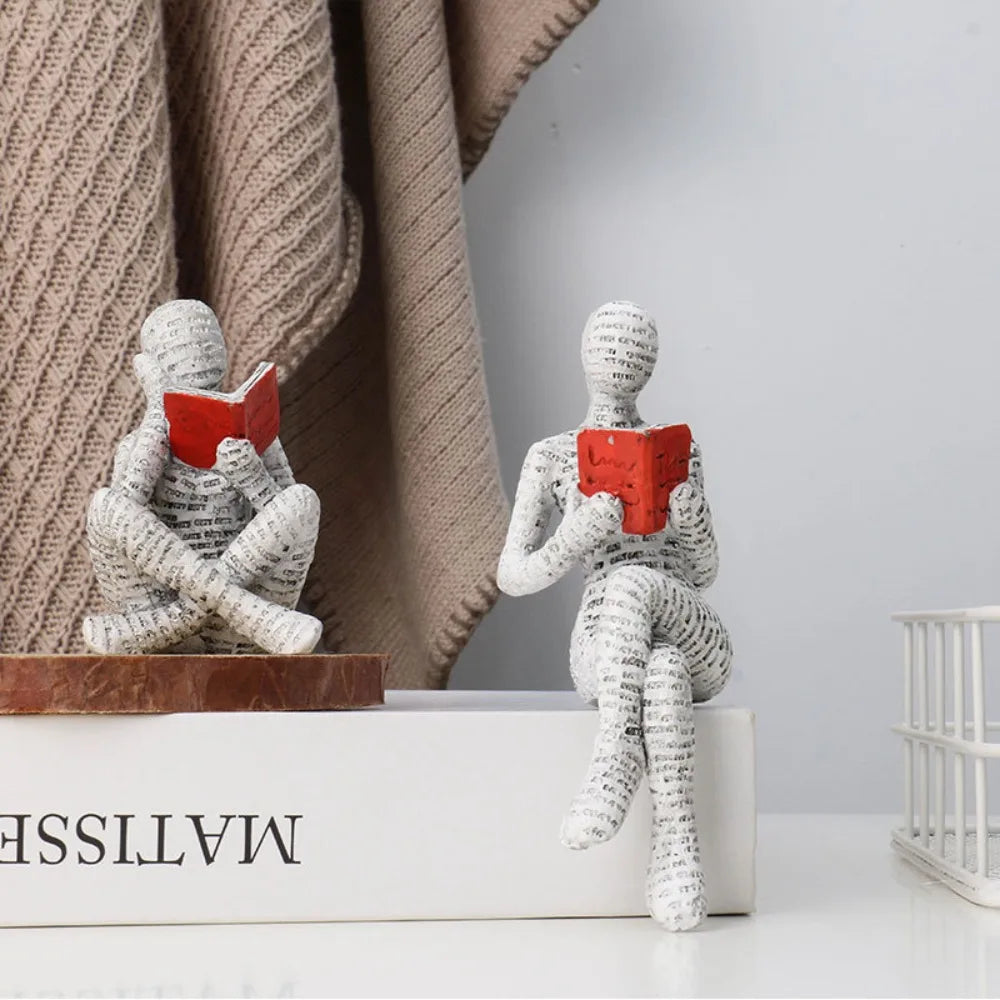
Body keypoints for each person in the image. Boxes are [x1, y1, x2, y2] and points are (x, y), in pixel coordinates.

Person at [496, 300, 733, 930]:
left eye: (634, 349)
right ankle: (676, 849)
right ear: (585, 355)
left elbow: (703, 572)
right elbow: (512, 575)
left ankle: (617, 753)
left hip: (691, 623)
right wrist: (575, 534)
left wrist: (691, 521)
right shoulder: (551, 456)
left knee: (635, 582)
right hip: (604, 648)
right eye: (610, 346)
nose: (622, 360)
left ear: (649, 364)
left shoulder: (678, 452)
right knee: (663, 671)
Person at [83, 300, 321, 655]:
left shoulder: (253, 436)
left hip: (224, 629)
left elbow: (292, 523)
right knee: (104, 505)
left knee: (303, 499)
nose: (198, 353)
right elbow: (121, 521)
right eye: (180, 345)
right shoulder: (138, 444)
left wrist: (253, 478)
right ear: (151, 366)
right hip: (185, 610)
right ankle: (208, 609)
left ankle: (185, 616)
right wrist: (157, 417)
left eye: (207, 342)